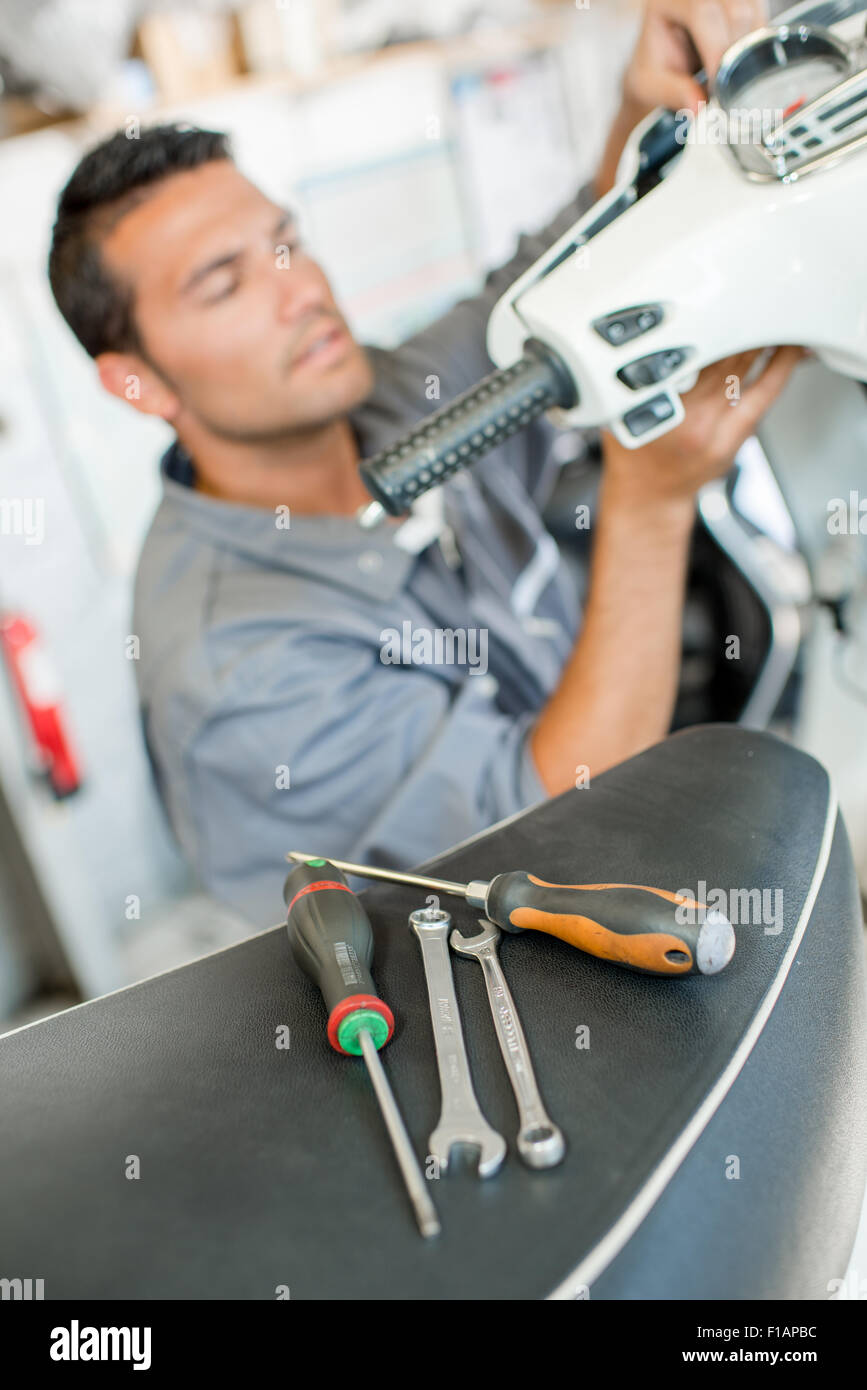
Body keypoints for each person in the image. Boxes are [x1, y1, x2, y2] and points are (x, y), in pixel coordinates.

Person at [47, 0, 801, 926]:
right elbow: (549, 823)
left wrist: (646, 106)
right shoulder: (238, 668)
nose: (301, 293)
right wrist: (653, 502)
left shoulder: (383, 394)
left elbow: (546, 283)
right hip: (483, 969)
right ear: (137, 383)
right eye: (224, 283)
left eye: (285, 243)